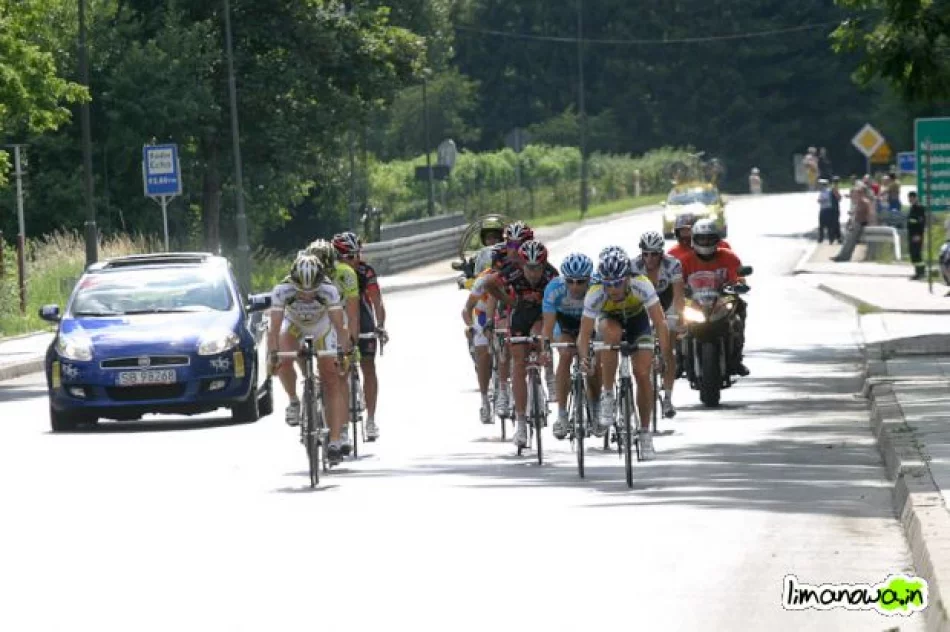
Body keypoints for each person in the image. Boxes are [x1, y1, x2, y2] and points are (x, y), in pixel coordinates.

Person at [575, 251, 674, 461]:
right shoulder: (595, 293)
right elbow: (583, 335)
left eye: (618, 284)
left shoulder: (642, 284)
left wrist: (662, 355)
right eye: (608, 284)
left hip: (638, 322)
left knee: (642, 373)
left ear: (628, 278)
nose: (612, 290)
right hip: (610, 320)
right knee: (611, 334)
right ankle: (608, 395)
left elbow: (660, 322)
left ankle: (645, 433)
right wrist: (585, 358)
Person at [268, 254, 351, 461]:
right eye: (301, 290)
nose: (306, 295)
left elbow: (340, 328)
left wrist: (343, 352)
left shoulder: (329, 291)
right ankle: (294, 401)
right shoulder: (281, 291)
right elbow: (274, 328)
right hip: (294, 325)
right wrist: (272, 355)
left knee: (330, 378)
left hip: (321, 327)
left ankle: (333, 439)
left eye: (312, 290)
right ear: (292, 281)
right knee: (284, 359)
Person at [483, 240, 559, 448]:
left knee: (539, 336)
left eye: (538, 268)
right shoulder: (513, 272)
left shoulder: (552, 275)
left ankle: (548, 376)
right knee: (518, 363)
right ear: (522, 266)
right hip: (520, 315)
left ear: (545, 265)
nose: (534, 274)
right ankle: (522, 424)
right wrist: (508, 301)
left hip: (541, 315)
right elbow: (489, 283)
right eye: (530, 268)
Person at [305, 238, 360, 452]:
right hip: (314, 320)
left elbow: (353, 314)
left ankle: (343, 429)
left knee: (340, 373)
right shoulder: (304, 273)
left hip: (340, 316)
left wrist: (351, 344)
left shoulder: (346, 274)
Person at [332, 231, 388, 441]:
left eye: (357, 255)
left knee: (368, 366)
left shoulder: (365, 271)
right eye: (349, 256)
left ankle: (371, 420)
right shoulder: (330, 272)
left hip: (362, 317)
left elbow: (376, 301)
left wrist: (380, 325)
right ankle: (343, 424)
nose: (355, 260)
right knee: (339, 372)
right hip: (337, 316)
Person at [541, 253, 602, 440]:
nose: (575, 287)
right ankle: (561, 415)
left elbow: (602, 321)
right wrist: (546, 349)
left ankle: (596, 409)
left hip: (590, 321)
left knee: (593, 361)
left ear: (589, 279)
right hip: (564, 323)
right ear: (564, 279)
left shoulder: (597, 288)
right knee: (565, 355)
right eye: (570, 281)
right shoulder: (554, 288)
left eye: (580, 282)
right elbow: (548, 327)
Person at [679, 220, 749, 376]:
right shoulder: (685, 261)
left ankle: (736, 359)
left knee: (739, 316)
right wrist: (679, 291)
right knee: (678, 321)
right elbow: (678, 282)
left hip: (722, 300)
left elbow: (739, 277)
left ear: (717, 239)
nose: (705, 242)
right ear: (694, 239)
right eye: (702, 238)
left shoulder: (729, 257)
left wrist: (739, 284)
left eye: (709, 238)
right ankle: (679, 361)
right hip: (695, 302)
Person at [631, 231, 685, 418]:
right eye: (646, 253)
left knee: (667, 347)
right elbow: (631, 297)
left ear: (661, 253)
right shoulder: (634, 266)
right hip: (644, 304)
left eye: (654, 254)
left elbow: (678, 296)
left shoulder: (673, 264)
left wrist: (679, 318)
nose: (650, 258)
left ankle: (668, 398)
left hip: (666, 302)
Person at [461, 243, 509, 423]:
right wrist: (471, 327)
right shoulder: (482, 279)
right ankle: (484, 401)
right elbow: (466, 309)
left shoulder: (514, 276)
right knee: (483, 355)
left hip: (503, 315)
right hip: (482, 317)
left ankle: (506, 388)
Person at [833, 182, 871, 262]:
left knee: (849, 240)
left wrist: (869, 224)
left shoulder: (865, 202)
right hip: (856, 223)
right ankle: (843, 256)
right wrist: (851, 218)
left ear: (862, 193)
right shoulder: (859, 202)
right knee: (847, 240)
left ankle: (843, 256)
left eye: (857, 193)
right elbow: (855, 213)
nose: (855, 195)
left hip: (860, 224)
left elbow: (867, 214)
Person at [907, 192, 927, 280]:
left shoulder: (919, 208)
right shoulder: (912, 208)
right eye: (909, 198)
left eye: (911, 198)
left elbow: (921, 223)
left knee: (917, 254)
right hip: (911, 234)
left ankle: (921, 272)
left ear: (915, 198)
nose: (910, 200)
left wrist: (918, 235)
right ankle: (917, 273)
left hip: (917, 235)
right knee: (913, 254)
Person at [817, 179, 835, 243]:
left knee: (829, 225)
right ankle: (821, 238)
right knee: (821, 225)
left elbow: (826, 199)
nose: (819, 186)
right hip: (822, 209)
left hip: (827, 209)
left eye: (820, 185)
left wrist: (821, 200)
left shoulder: (828, 191)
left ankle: (831, 239)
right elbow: (819, 199)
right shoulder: (821, 191)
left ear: (823, 185)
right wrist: (820, 200)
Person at [829, 177, 843, 244]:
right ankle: (834, 238)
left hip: (834, 207)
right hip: (834, 208)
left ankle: (836, 237)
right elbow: (838, 197)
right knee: (835, 223)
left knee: (835, 223)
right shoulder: (834, 188)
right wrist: (840, 197)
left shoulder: (833, 187)